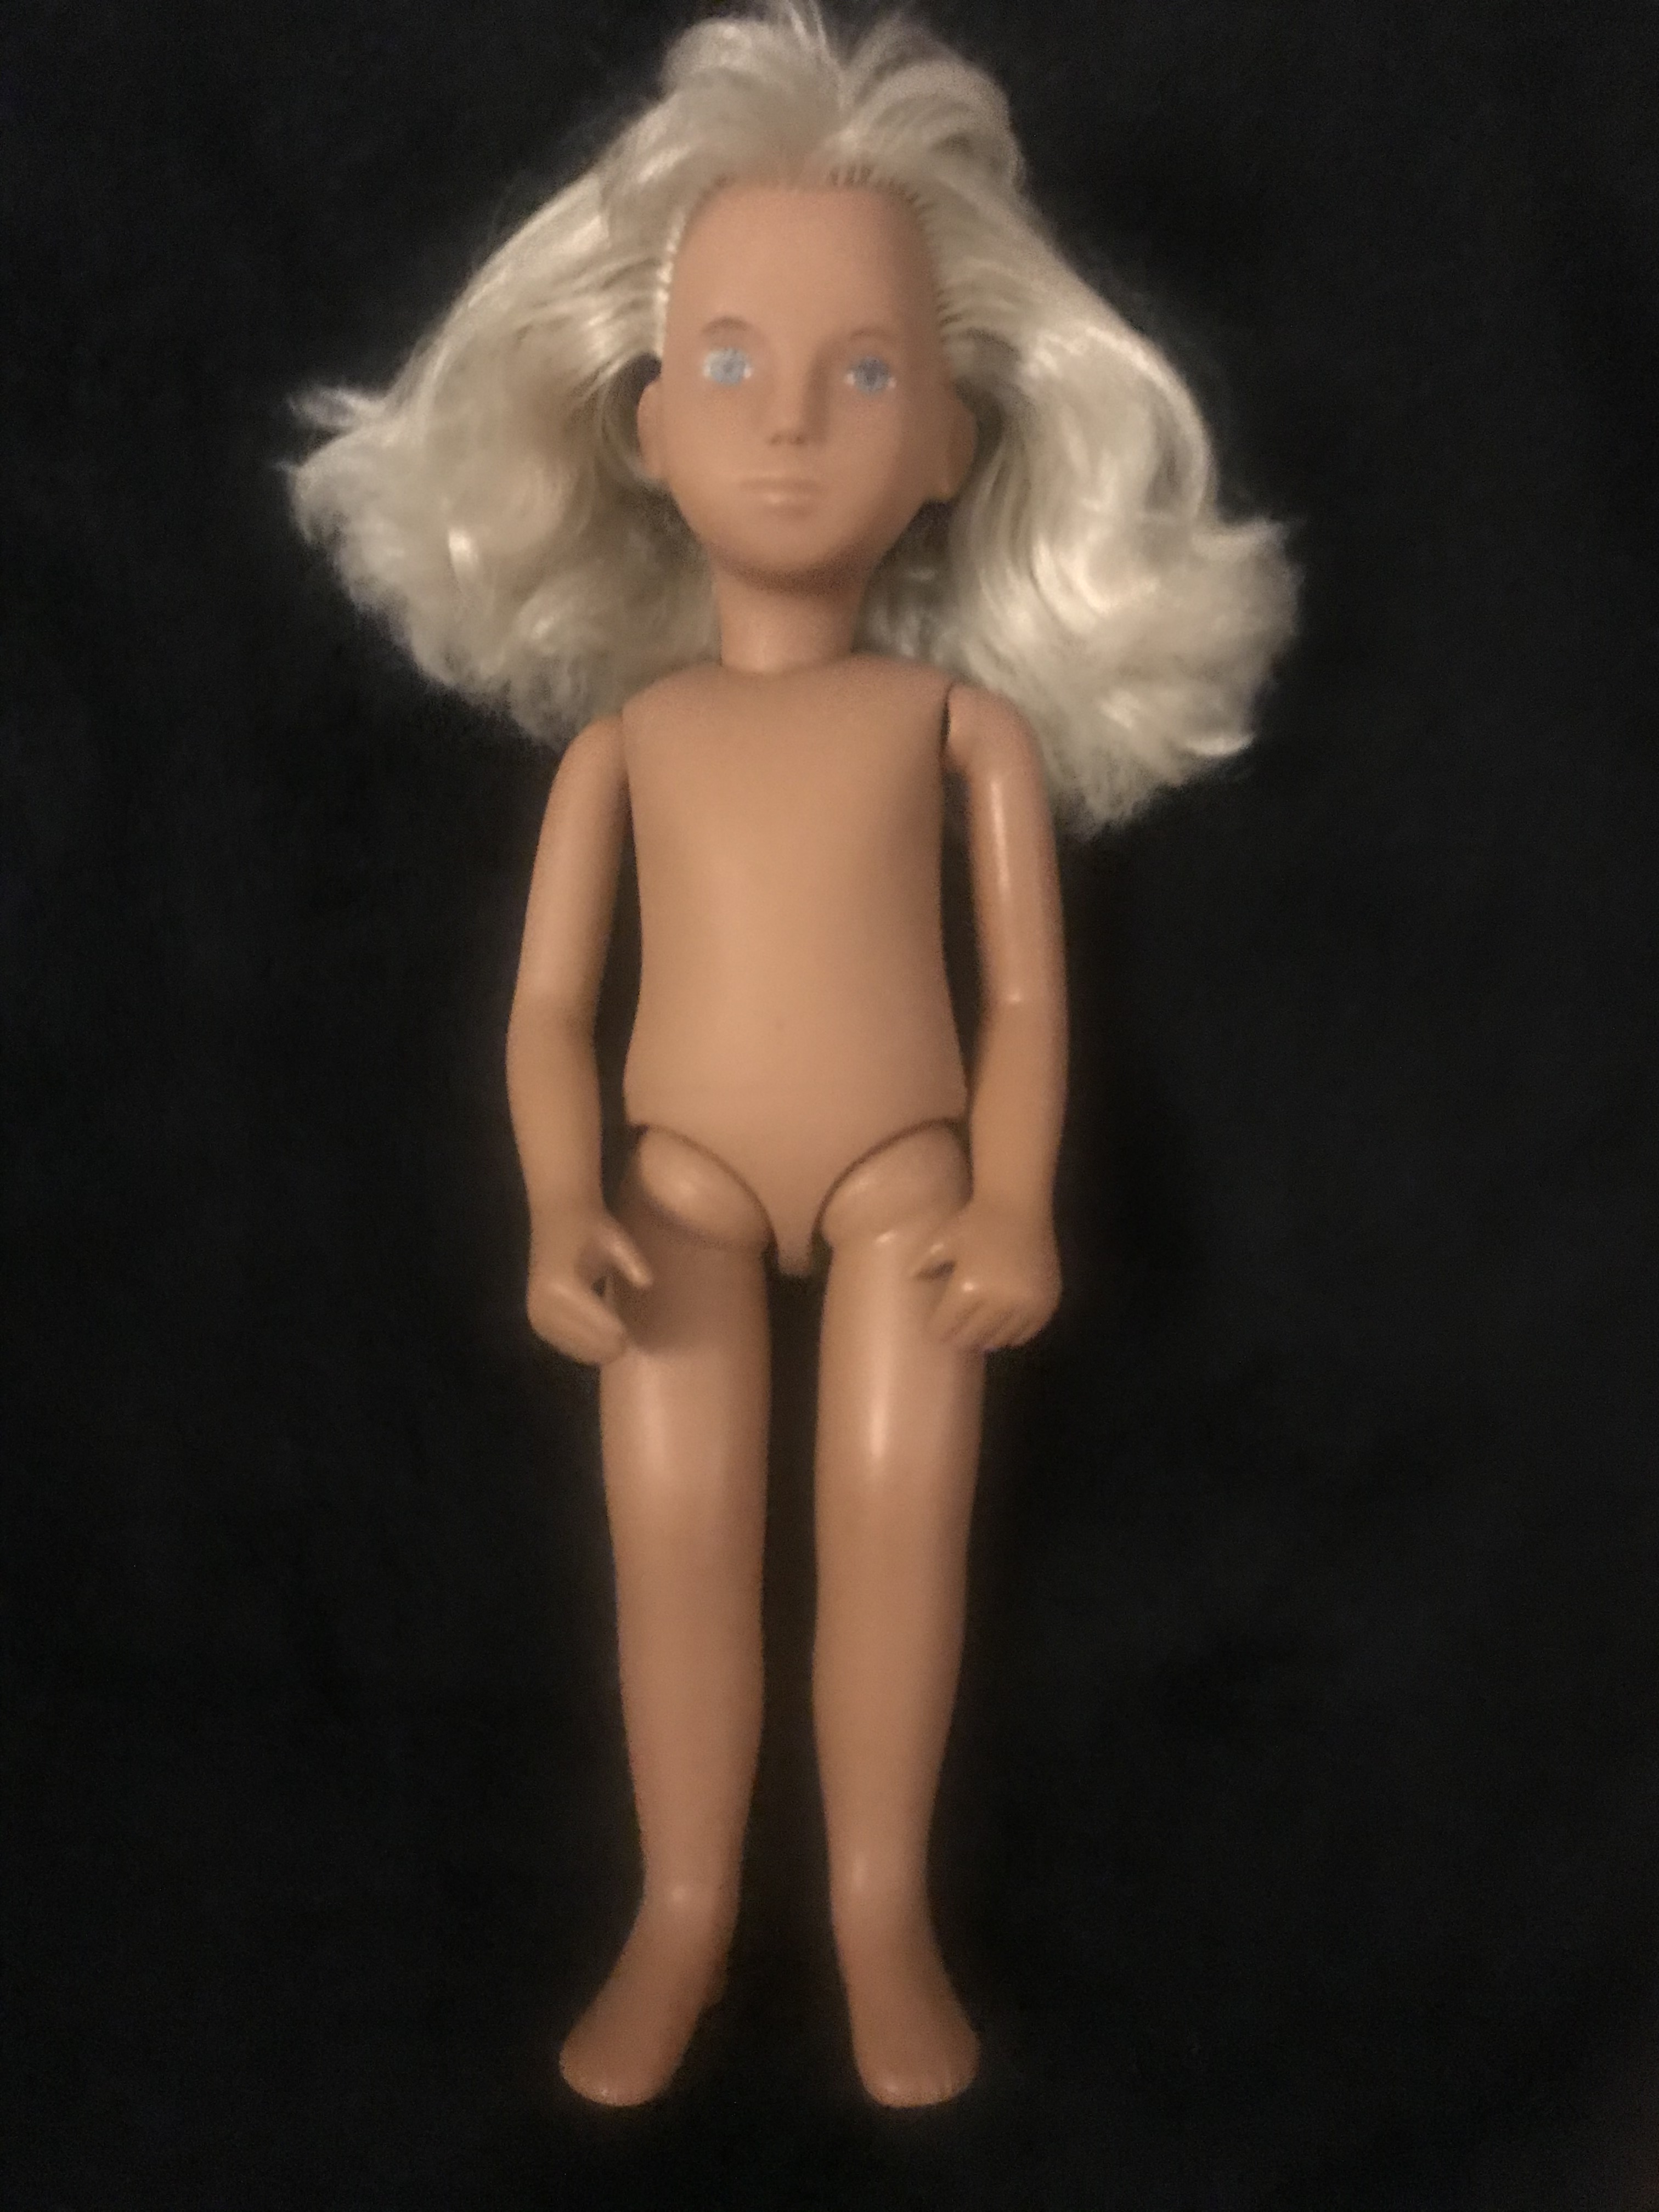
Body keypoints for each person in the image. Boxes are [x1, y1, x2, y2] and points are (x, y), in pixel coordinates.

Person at [289, 0, 1294, 2107]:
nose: (792, 426)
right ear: (645, 426)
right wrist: (561, 1200)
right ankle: (677, 1907)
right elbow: (548, 1011)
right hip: (680, 1176)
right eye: (732, 366)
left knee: (900, 1512)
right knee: (674, 1529)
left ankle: (874, 1909)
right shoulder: (633, 740)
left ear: (953, 445)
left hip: (907, 1168)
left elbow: (1025, 1001)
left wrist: (1011, 1196)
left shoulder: (962, 731)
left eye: (867, 375)